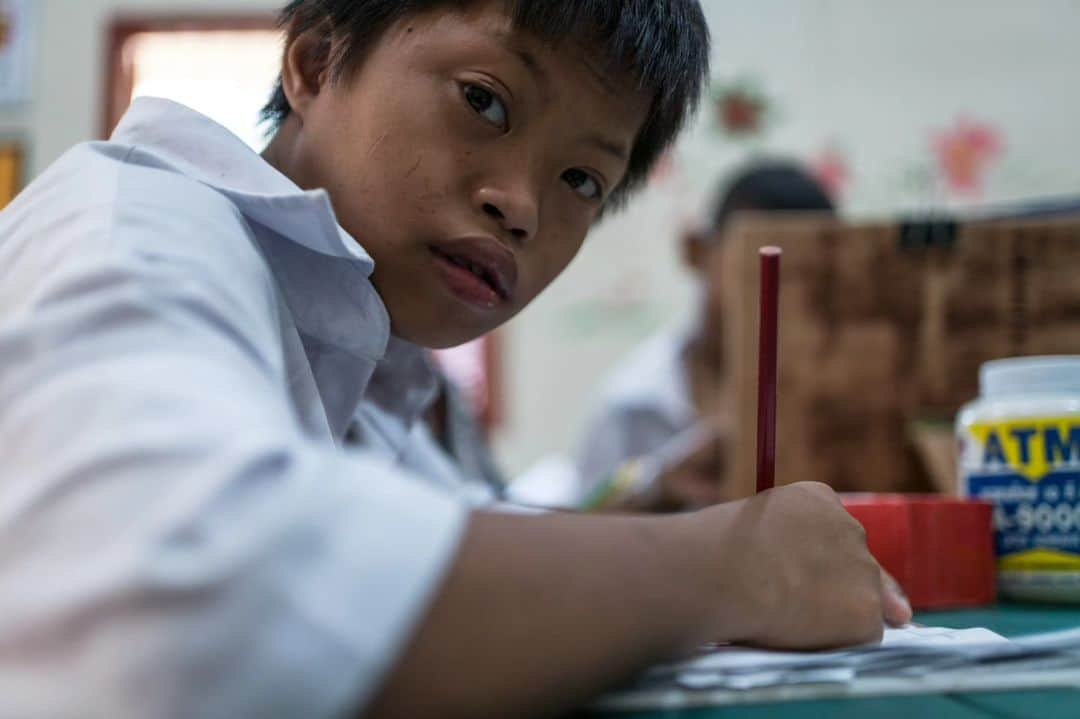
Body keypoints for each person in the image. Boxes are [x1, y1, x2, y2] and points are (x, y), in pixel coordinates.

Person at [0, 3, 907, 718]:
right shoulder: (133, 226)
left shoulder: (373, 342)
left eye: (582, 179)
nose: (521, 207)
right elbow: (186, 607)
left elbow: (451, 536)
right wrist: (729, 567)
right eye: (485, 100)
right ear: (316, 62)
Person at [575, 162, 836, 511]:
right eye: (756, 259)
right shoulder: (633, 403)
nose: (780, 288)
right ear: (696, 250)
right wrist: (655, 492)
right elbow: (583, 536)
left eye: (806, 271)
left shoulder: (844, 399)